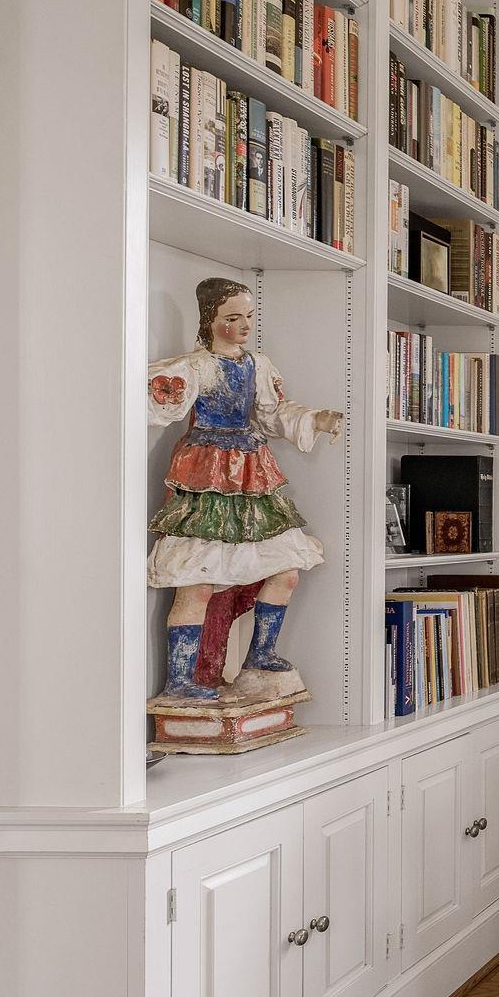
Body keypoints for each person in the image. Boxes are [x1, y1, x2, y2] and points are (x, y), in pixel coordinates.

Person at [146, 278, 342, 702]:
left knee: (286, 570)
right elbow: (153, 392)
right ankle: (180, 680)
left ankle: (261, 654)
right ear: (210, 320)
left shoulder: (258, 364)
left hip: (252, 474)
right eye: (232, 318)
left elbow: (272, 413)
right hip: (206, 474)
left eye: (248, 317)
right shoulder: (196, 367)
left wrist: (316, 419)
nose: (244, 325)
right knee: (195, 581)